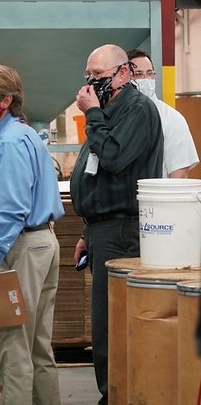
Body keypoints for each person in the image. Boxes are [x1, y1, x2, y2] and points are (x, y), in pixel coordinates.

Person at [70, 44, 163, 405]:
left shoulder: (137, 110)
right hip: (102, 229)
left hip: (123, 231)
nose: (92, 85)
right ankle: (114, 393)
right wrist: (86, 230)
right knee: (105, 324)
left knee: (114, 325)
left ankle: (118, 395)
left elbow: (111, 158)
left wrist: (93, 113)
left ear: (124, 74)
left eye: (100, 77)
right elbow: (94, 171)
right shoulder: (109, 108)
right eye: (89, 77)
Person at [0, 63, 64, 405]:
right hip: (41, 243)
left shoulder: (8, 143)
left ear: (6, 100)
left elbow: (12, 209)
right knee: (37, 344)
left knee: (14, 344)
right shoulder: (23, 135)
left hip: (23, 247)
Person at [126, 48, 198, 179]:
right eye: (138, 74)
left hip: (157, 196)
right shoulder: (115, 115)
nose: (145, 79)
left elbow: (179, 174)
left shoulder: (172, 119)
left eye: (149, 73)